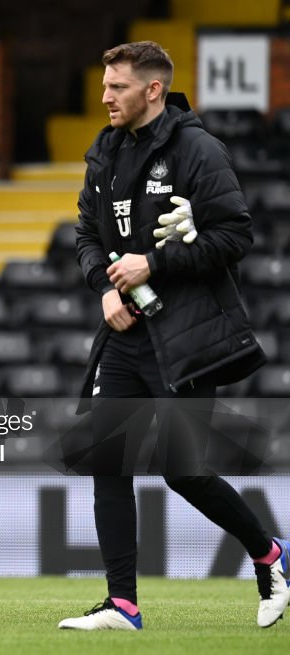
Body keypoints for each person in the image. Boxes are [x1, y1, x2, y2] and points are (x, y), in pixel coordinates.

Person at [61, 40, 288, 631]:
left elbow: (235, 236)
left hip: (185, 339)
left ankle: (268, 553)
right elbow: (86, 232)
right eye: (105, 85)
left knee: (182, 470)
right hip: (126, 335)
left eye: (117, 86)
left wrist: (151, 264)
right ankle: (122, 605)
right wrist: (105, 287)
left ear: (153, 89)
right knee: (107, 460)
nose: (106, 96)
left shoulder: (197, 149)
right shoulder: (105, 150)